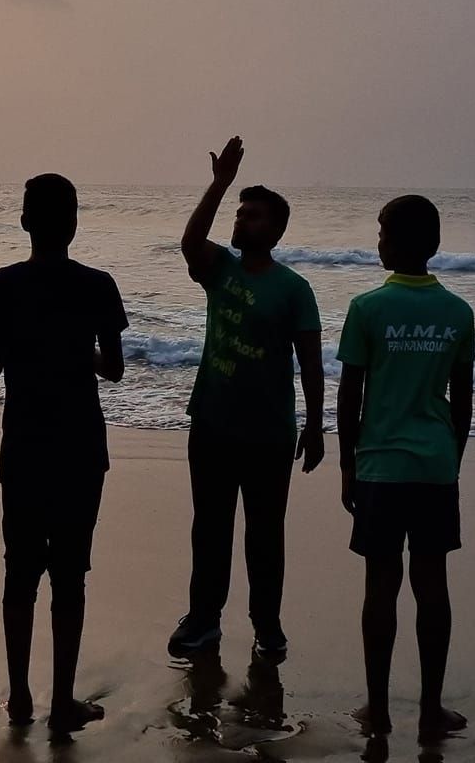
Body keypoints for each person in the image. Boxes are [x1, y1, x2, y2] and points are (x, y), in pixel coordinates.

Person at [0, 174, 128, 735]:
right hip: (80, 444)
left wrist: (26, 345)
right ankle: (62, 700)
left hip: (25, 442)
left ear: (24, 222)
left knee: (20, 571)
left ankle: (19, 696)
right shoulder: (98, 285)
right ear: (74, 224)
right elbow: (114, 369)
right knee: (69, 574)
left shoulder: (0, 285)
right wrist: (76, 353)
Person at [167, 136, 326, 661]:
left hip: (269, 432)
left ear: (276, 230)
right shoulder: (220, 269)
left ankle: (267, 626)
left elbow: (310, 363)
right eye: (239, 214)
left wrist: (315, 425)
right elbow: (190, 242)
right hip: (212, 423)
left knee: (265, 533)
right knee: (209, 527)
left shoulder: (294, 288)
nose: (241, 221)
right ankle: (204, 619)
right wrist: (220, 185)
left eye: (253, 215)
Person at [336, 194, 475, 740]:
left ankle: (378, 707)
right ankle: (431, 707)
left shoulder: (368, 308)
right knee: (432, 583)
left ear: (392, 242)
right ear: (435, 244)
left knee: (381, 585)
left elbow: (351, 394)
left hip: (380, 465)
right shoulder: (457, 312)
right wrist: (452, 458)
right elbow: (462, 400)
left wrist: (347, 462)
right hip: (434, 463)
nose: (378, 242)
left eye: (381, 233)